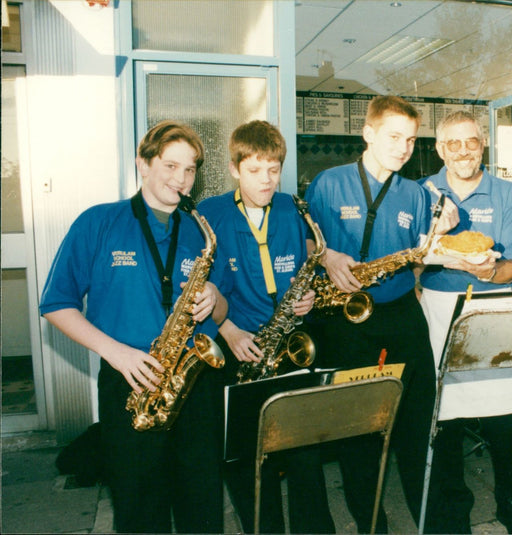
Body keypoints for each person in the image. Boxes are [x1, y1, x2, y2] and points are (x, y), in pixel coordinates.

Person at [39, 121, 228, 533]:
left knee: (203, 505)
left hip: (194, 386)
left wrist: (214, 296)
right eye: (170, 165)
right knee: (139, 509)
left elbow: (223, 310)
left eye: (191, 169)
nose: (181, 179)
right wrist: (116, 352)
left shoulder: (201, 231)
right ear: (143, 164)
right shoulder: (98, 222)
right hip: (131, 381)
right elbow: (56, 304)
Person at [304, 95, 457, 533]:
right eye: (394, 136)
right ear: (368, 133)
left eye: (411, 139)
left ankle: (437, 523)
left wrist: (437, 235)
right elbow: (303, 243)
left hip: (400, 314)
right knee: (358, 433)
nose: (404, 147)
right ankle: (373, 526)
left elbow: (418, 258)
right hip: (345, 319)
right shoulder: (328, 183)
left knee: (418, 422)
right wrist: (327, 253)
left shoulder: (415, 192)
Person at [196, 120, 333, 533]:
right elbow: (201, 290)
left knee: (305, 453)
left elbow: (308, 266)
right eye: (255, 171)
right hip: (241, 347)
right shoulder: (211, 214)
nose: (267, 180)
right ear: (236, 169)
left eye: (274, 169)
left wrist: (309, 295)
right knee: (248, 460)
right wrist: (230, 331)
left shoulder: (293, 208)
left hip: (289, 341)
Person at [417, 111, 512, 534]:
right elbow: (411, 264)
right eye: (453, 144)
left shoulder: (507, 194)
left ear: (483, 144)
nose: (463, 151)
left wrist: (488, 271)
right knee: (444, 420)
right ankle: (453, 517)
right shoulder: (420, 192)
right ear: (439, 148)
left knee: (509, 418)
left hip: (493, 307)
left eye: (471, 142)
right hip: (437, 309)